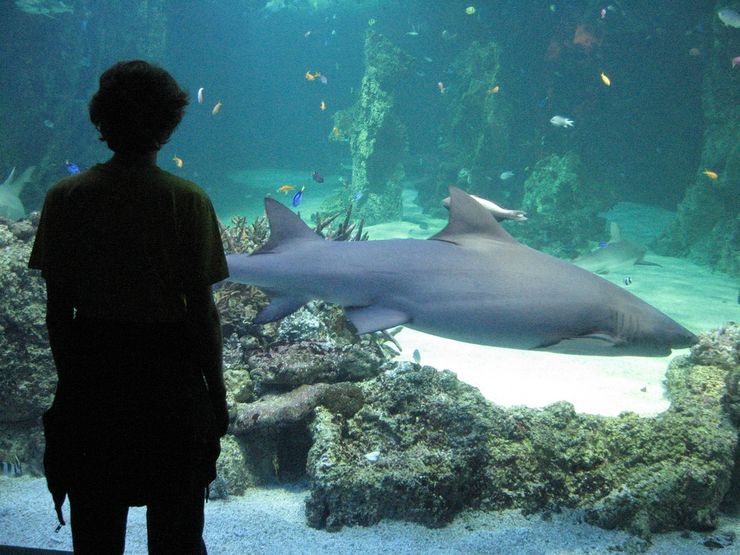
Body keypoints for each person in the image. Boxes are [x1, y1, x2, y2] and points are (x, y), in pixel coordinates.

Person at [28, 60, 229, 554]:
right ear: (170, 123)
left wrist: (72, 386)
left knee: (95, 533)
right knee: (178, 535)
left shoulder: (65, 198)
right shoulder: (188, 201)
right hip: (171, 385)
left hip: (95, 378)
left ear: (101, 120)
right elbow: (202, 312)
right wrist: (217, 394)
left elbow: (59, 312)